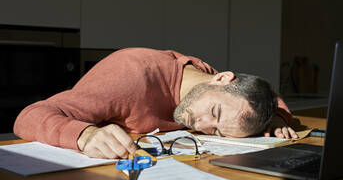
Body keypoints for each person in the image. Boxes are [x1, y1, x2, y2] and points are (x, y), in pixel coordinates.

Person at [14, 48, 298, 159]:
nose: (200, 125)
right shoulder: (130, 78)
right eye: (214, 112)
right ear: (222, 78)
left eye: (216, 132)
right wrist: (85, 134)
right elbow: (28, 116)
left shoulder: (209, 82)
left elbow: (269, 94)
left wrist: (275, 118)